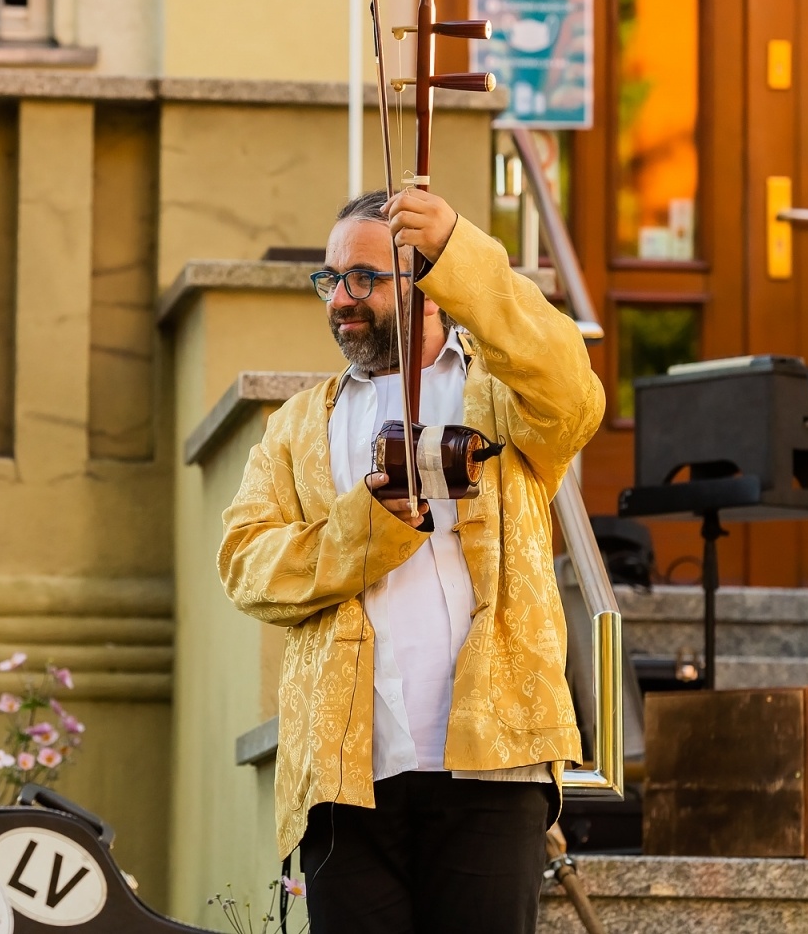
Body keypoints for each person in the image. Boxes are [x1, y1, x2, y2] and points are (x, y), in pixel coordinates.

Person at [218, 187, 603, 934]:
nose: (341, 299)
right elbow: (247, 565)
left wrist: (464, 249)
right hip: (345, 776)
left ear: (427, 283)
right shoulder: (299, 425)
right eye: (331, 280)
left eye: (365, 278)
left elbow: (572, 388)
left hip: (494, 762)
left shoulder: (503, 394)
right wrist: (374, 524)